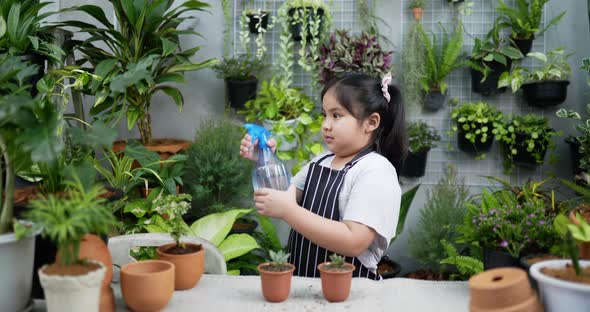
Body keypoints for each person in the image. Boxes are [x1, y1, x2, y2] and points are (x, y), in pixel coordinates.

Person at [239, 73, 407, 280]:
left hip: (352, 293)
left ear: (371, 122)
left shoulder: (375, 170)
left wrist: (289, 212)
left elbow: (354, 241)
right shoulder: (322, 161)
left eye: (336, 115)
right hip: (305, 286)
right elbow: (283, 196)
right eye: (324, 115)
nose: (326, 125)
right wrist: (263, 157)